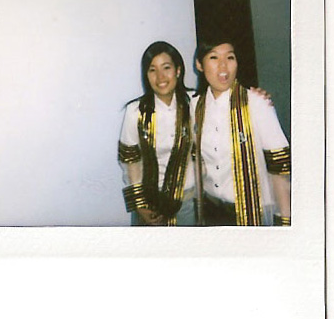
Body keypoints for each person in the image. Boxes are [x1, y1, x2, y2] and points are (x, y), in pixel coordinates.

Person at [191, 35, 291, 226]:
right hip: (212, 210)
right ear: (199, 65)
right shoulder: (195, 106)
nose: (223, 66)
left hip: (252, 212)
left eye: (230, 57)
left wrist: (285, 218)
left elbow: (279, 167)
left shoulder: (256, 103)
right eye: (214, 57)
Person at [118, 41, 196, 226]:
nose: (160, 76)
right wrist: (140, 206)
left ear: (178, 70)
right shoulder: (135, 111)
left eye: (166, 68)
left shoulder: (195, 102)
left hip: (186, 202)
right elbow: (130, 161)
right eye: (152, 70)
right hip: (147, 203)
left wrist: (257, 96)